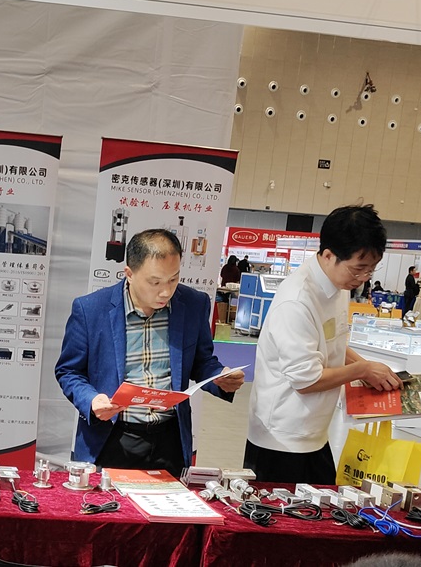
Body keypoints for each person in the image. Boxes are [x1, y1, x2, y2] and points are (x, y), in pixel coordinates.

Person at [55, 229, 245, 476]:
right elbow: (69, 371)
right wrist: (92, 400)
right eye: (155, 282)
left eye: (173, 279)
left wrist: (219, 376)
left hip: (169, 440)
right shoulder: (91, 309)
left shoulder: (193, 304)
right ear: (129, 274)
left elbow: (201, 361)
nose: (166, 291)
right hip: (113, 437)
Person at [245, 204, 401, 484]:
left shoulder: (338, 285)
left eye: (371, 269)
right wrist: (363, 370)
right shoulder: (297, 301)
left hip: (315, 433)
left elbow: (333, 343)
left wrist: (370, 369)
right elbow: (305, 380)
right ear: (328, 255)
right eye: (358, 269)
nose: (364, 278)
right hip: (282, 438)